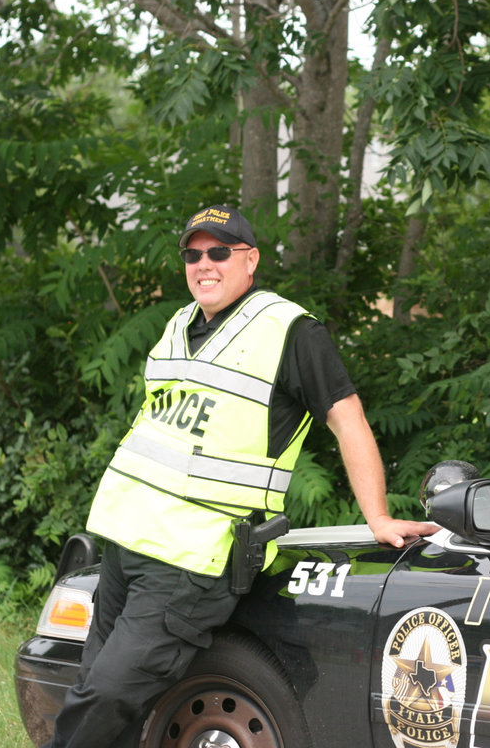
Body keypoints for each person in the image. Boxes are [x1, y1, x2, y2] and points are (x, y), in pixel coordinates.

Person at [45, 204, 438, 748]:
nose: (203, 263)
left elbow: (348, 419)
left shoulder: (290, 330)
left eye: (219, 252)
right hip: (126, 544)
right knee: (101, 696)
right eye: (193, 253)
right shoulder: (179, 324)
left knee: (106, 696)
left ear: (249, 260)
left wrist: (376, 516)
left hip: (190, 561)